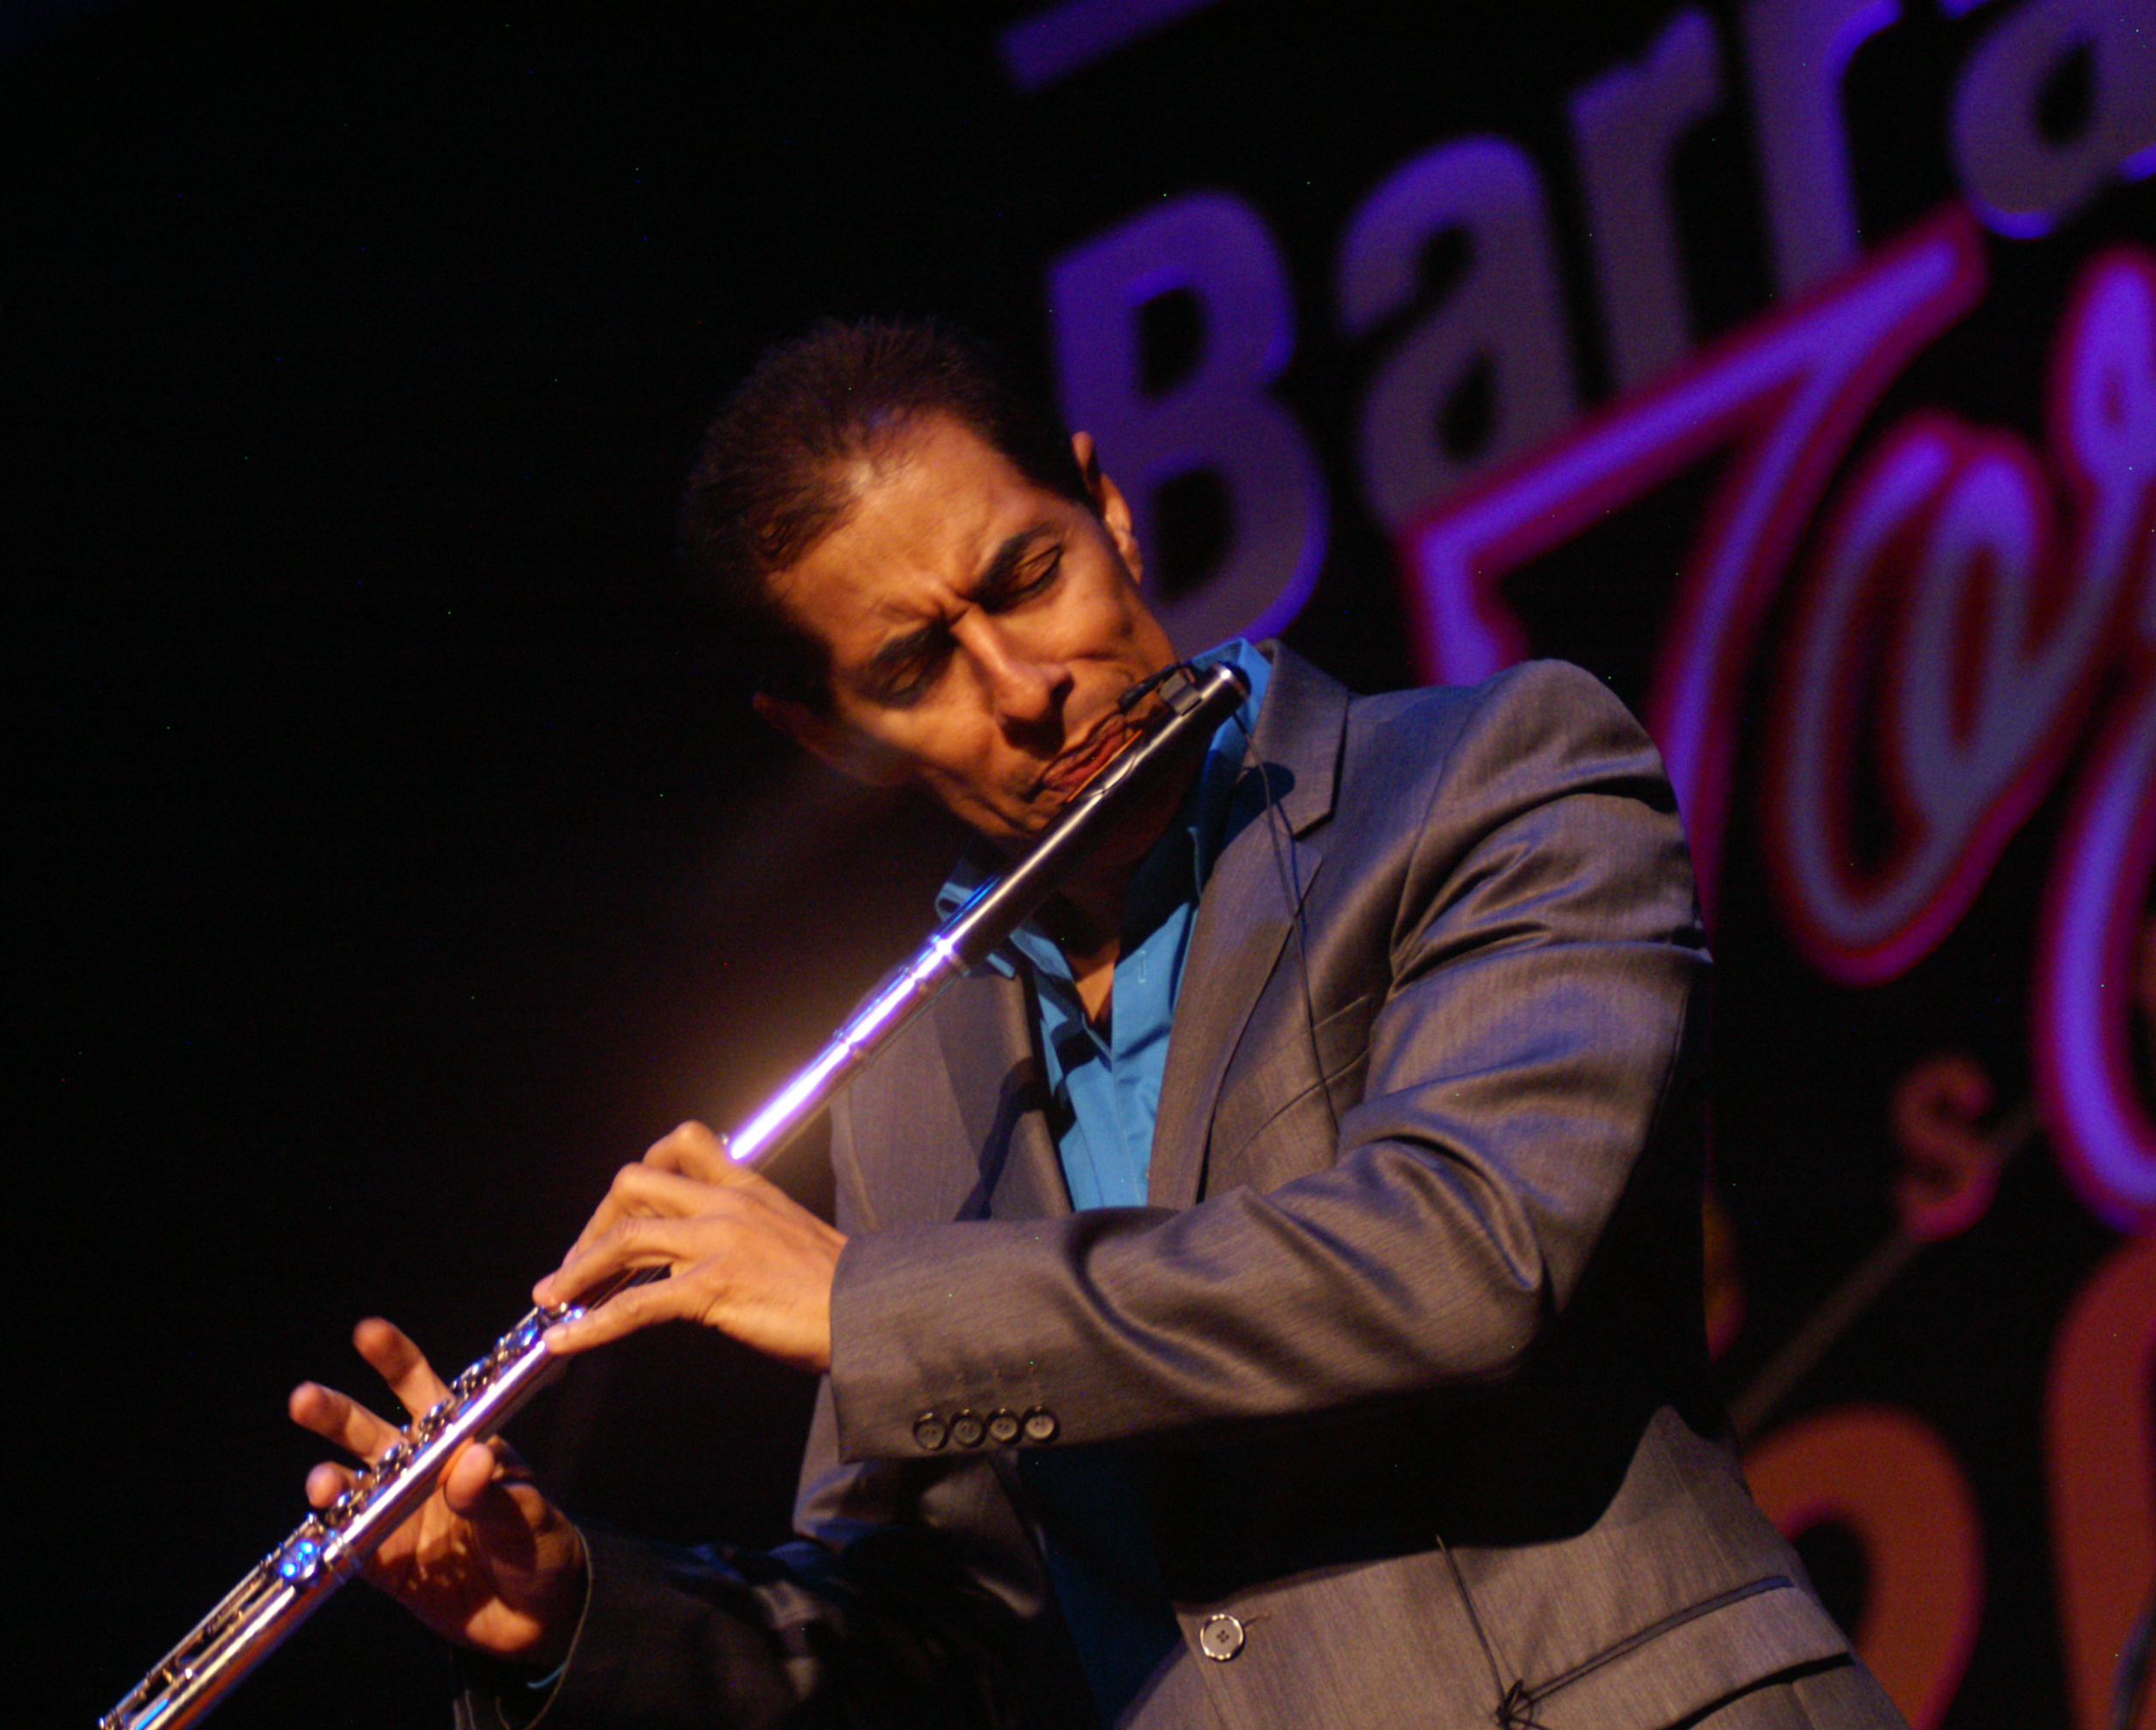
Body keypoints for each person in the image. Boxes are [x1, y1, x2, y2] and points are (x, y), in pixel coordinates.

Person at [289, 319, 1905, 1727]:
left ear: (1107, 505)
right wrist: (572, 1613)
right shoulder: (918, 1077)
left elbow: (1465, 1253)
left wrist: (871, 1308)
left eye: (1029, 574)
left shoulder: (1490, 773)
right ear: (826, 735)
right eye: (918, 664)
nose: (1021, 684)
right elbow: (950, 1647)